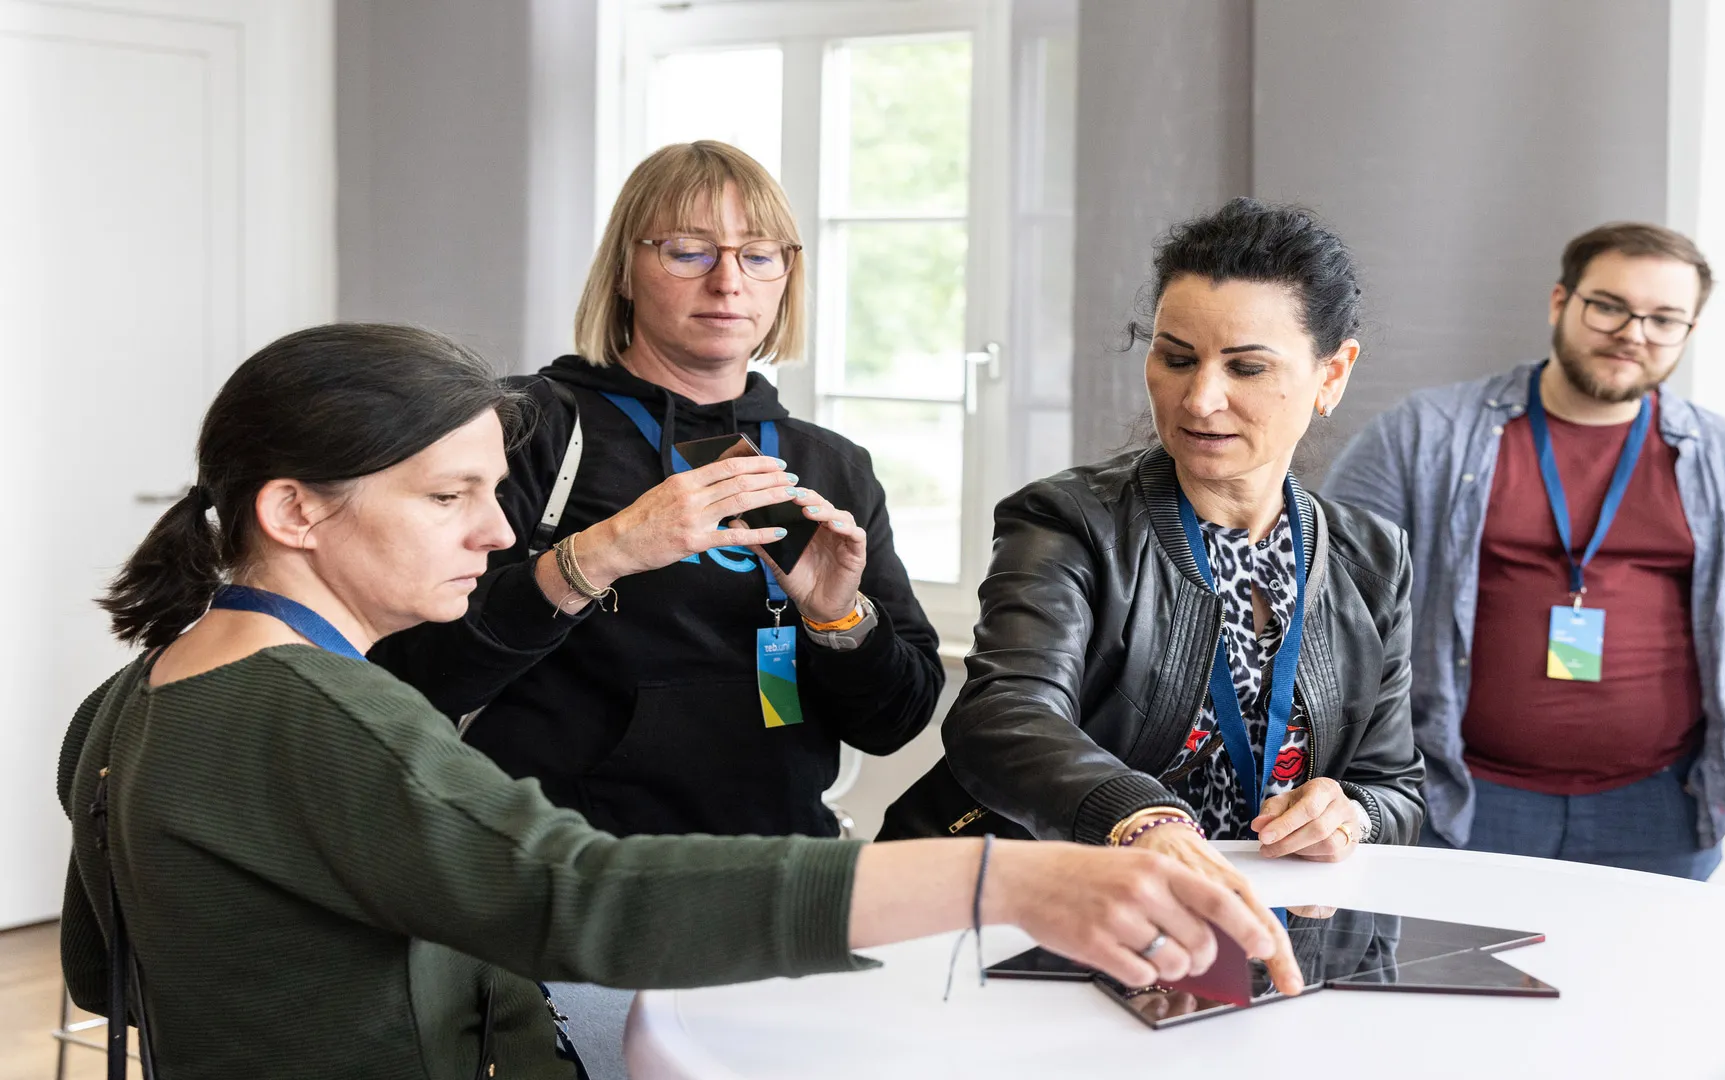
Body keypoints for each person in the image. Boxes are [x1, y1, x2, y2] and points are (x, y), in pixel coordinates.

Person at [60, 324, 1301, 1079]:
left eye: (497, 492)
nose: (496, 532)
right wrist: (1009, 882)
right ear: (293, 510)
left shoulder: (143, 694)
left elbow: (107, 974)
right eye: (449, 498)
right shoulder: (318, 716)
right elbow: (575, 894)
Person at [371, 141, 941, 839]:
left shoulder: (830, 465)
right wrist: (603, 553)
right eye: (688, 251)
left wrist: (840, 620)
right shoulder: (523, 430)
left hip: (777, 868)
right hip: (558, 870)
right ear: (625, 273)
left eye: (759, 255)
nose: (728, 282)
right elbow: (413, 675)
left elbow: (895, 723)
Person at [880, 198, 1426, 921]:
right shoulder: (1068, 522)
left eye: (1246, 367)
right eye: (1177, 358)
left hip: (1246, 930)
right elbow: (1003, 718)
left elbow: (1394, 787)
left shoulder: (1371, 559)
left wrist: (1349, 813)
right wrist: (1139, 817)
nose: (1200, 399)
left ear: (1333, 374)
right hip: (1046, 915)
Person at [1322, 222, 1725, 880]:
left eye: (1664, 319)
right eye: (1610, 306)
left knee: (1641, 985)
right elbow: (1327, 605)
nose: (1633, 333)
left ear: (1688, 333)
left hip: (1662, 809)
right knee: (1446, 982)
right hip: (1457, 798)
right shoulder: (1424, 436)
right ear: (1562, 302)